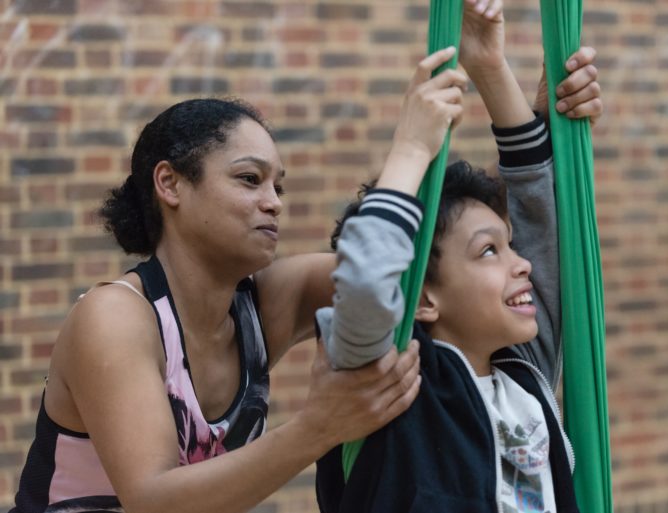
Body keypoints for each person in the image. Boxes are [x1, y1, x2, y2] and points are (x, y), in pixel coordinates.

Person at [10, 48, 468, 513]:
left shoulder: (266, 301)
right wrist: (318, 427)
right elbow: (152, 500)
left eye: (278, 186)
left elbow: (408, 273)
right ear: (169, 184)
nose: (274, 202)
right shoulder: (116, 317)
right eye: (250, 179)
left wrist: (519, 112)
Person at [315, 1, 602, 512]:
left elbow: (544, 219)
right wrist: (410, 149)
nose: (524, 264)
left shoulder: (522, 371)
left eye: (509, 245)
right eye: (489, 251)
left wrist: (489, 67)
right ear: (422, 297)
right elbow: (363, 280)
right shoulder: (385, 381)